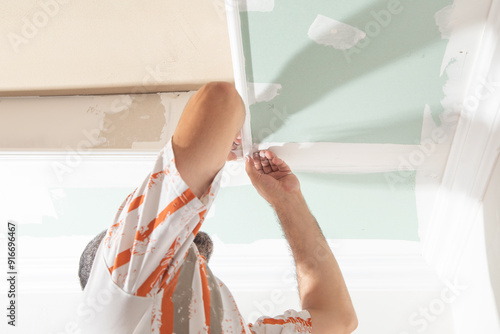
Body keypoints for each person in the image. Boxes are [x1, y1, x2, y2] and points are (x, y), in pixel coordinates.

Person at [77, 82, 357, 333]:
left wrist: (214, 138)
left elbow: (220, 102)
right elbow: (338, 320)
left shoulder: (124, 272)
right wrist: (287, 201)